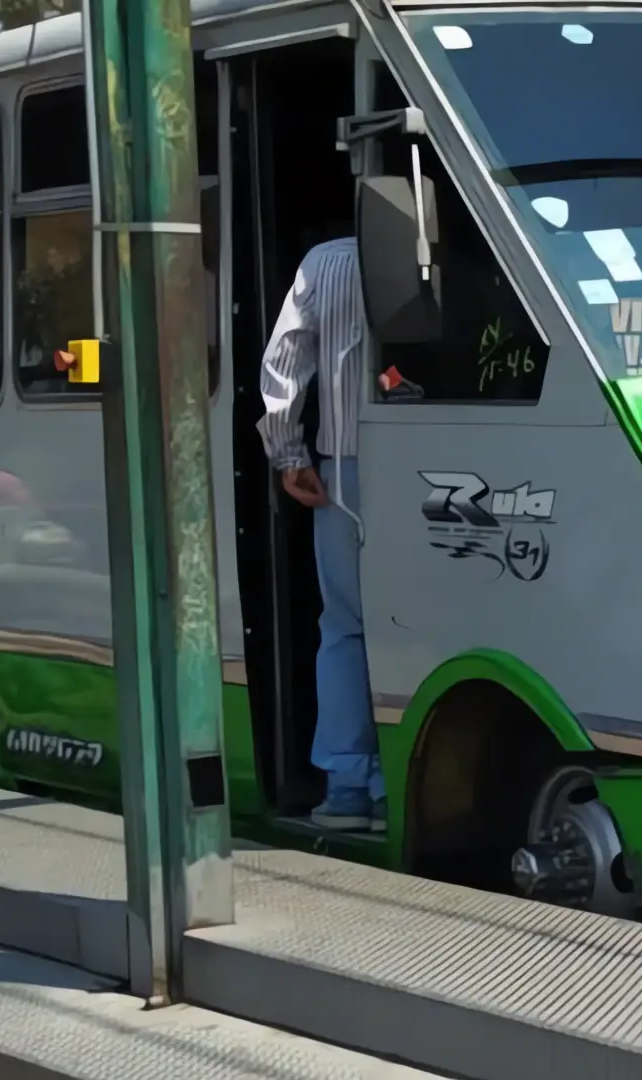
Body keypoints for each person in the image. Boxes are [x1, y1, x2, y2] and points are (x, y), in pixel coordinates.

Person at [256, 236, 385, 833]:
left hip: (347, 467)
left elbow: (285, 358)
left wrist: (288, 455)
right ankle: (395, 784)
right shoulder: (476, 228)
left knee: (346, 628)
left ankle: (351, 788)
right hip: (450, 452)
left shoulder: (327, 262)